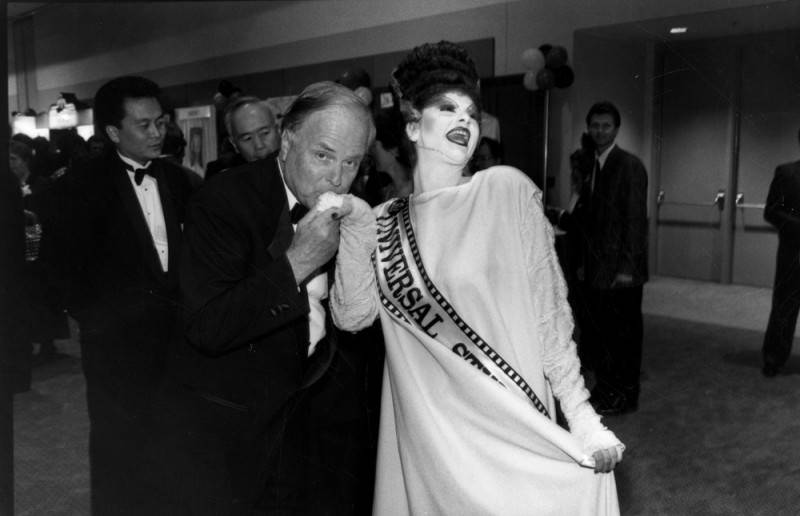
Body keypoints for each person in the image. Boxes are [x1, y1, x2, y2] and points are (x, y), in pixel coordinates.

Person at [330, 41, 623, 515]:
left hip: (507, 419)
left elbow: (549, 314)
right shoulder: (383, 221)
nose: (464, 121)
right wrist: (357, 228)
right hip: (431, 435)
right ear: (412, 126)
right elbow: (353, 316)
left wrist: (582, 416)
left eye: (471, 113)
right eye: (446, 109)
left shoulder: (505, 189)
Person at [150, 81, 376, 514]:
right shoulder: (222, 201)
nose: (337, 177)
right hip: (236, 423)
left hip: (313, 418)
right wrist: (297, 262)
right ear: (287, 143)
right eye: (323, 155)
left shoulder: (353, 208)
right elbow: (207, 325)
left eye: (351, 162)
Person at [47, 75, 194, 515]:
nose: (157, 133)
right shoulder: (78, 186)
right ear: (113, 132)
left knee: (174, 448)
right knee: (118, 451)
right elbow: (60, 267)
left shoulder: (181, 181)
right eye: (143, 125)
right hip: (115, 348)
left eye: (160, 122)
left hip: (176, 344)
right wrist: (95, 319)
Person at [552, 101, 648, 415]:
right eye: (595, 125)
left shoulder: (630, 165)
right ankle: (607, 391)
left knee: (624, 337)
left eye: (606, 125)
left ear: (616, 129)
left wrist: (626, 269)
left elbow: (635, 221)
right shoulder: (592, 164)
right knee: (604, 336)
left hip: (622, 272)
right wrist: (584, 264)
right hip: (597, 268)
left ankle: (626, 396)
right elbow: (589, 222)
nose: (600, 131)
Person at [762, 129, 800, 377]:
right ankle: (773, 358)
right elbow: (771, 211)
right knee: (784, 307)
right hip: (793, 252)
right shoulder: (786, 173)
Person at [364, 107, 413, 205]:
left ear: (393, 149)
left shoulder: (415, 190)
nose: (369, 152)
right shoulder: (388, 192)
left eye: (373, 146)